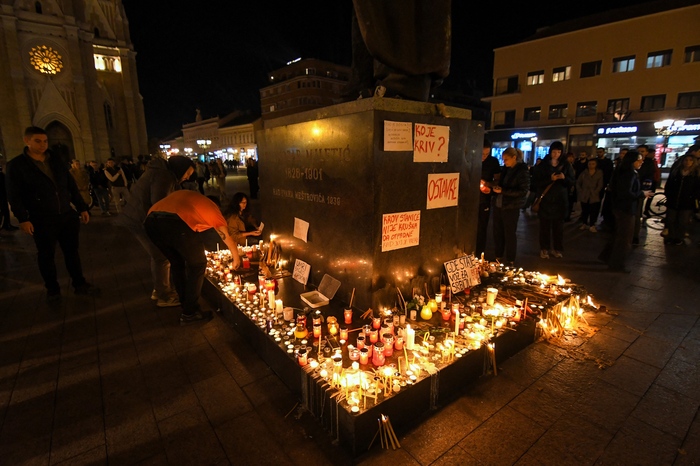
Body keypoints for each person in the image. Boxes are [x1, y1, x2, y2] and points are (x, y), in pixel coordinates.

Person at [6, 126, 100, 302]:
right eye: (38, 141)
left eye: (45, 141)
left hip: (66, 215)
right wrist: (23, 219)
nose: (43, 145)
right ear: (27, 141)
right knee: (46, 255)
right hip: (41, 218)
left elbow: (70, 185)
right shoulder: (17, 165)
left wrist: (82, 207)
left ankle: (79, 284)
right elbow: (13, 194)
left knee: (72, 253)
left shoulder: (55, 159)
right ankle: (53, 289)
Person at [144, 190, 241, 324]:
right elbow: (226, 236)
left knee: (177, 263)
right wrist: (236, 257)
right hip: (175, 222)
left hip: (151, 222)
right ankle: (190, 312)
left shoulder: (192, 200)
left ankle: (186, 306)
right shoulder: (212, 208)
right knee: (198, 264)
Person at [119, 155, 195, 307]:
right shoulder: (164, 176)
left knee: (158, 255)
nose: (187, 177)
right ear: (180, 169)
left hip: (138, 217)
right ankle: (164, 296)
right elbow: (160, 204)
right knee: (161, 256)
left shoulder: (162, 173)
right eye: (187, 173)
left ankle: (159, 289)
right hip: (141, 220)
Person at [599, 151, 652, 272]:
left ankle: (607, 257)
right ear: (632, 161)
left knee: (618, 234)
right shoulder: (628, 173)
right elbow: (626, 192)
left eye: (642, 160)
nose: (641, 162)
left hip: (622, 207)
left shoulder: (626, 171)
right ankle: (616, 264)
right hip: (625, 209)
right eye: (639, 160)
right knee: (624, 238)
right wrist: (641, 193)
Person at [532, 141, 575, 259]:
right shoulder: (543, 164)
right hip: (546, 200)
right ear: (550, 151)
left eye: (559, 152)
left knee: (558, 228)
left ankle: (557, 249)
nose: (556, 154)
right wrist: (550, 179)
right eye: (554, 152)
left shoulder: (566, 165)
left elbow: (572, 182)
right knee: (544, 227)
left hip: (560, 201)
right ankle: (544, 248)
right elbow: (536, 182)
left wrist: (564, 178)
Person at [491, 147, 529, 265]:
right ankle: (498, 256)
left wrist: (503, 191)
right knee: (498, 232)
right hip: (499, 204)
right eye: (503, 159)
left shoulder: (522, 171)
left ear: (514, 158)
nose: (504, 162)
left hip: (511, 207)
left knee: (509, 233)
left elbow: (523, 191)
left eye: (506, 159)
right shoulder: (506, 170)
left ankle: (510, 259)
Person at [663, 154, 700, 245]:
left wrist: (693, 197)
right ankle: (671, 236)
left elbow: (697, 188)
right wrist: (669, 195)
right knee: (671, 219)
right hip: (673, 200)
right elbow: (669, 184)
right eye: (686, 160)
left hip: (687, 202)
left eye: (690, 160)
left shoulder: (696, 174)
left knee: (683, 221)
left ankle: (679, 237)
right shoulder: (676, 172)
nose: (688, 162)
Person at [476, 138, 501, 257]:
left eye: (487, 154)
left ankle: (479, 253)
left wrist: (488, 184)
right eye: (482, 154)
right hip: (469, 200)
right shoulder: (471, 159)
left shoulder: (493, 162)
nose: (484, 157)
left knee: (482, 227)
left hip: (484, 199)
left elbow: (497, 180)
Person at [635, 144, 659, 244]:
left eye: (642, 151)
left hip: (640, 190)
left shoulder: (649, 163)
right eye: (639, 151)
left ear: (646, 152)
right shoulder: (634, 161)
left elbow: (649, 177)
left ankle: (635, 235)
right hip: (632, 189)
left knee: (637, 212)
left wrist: (644, 190)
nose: (640, 153)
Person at [576, 157, 604, 232]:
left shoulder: (599, 173)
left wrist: (596, 191)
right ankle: (584, 223)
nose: (591, 165)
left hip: (594, 194)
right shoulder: (584, 173)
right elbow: (578, 183)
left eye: (593, 164)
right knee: (584, 209)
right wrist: (581, 191)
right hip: (585, 193)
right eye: (589, 164)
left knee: (593, 210)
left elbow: (600, 184)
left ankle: (592, 225)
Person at [596, 147, 615, 231]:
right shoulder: (596, 161)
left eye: (600, 152)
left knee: (599, 199)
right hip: (594, 182)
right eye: (598, 152)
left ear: (604, 152)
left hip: (603, 182)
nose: (599, 153)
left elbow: (609, 172)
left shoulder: (608, 162)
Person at [0, 165, 19, 230]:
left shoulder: (1, 175)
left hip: (3, 195)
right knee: (3, 210)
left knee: (4, 210)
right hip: (2, 196)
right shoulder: (1, 175)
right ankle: (6, 224)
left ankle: (6, 224)